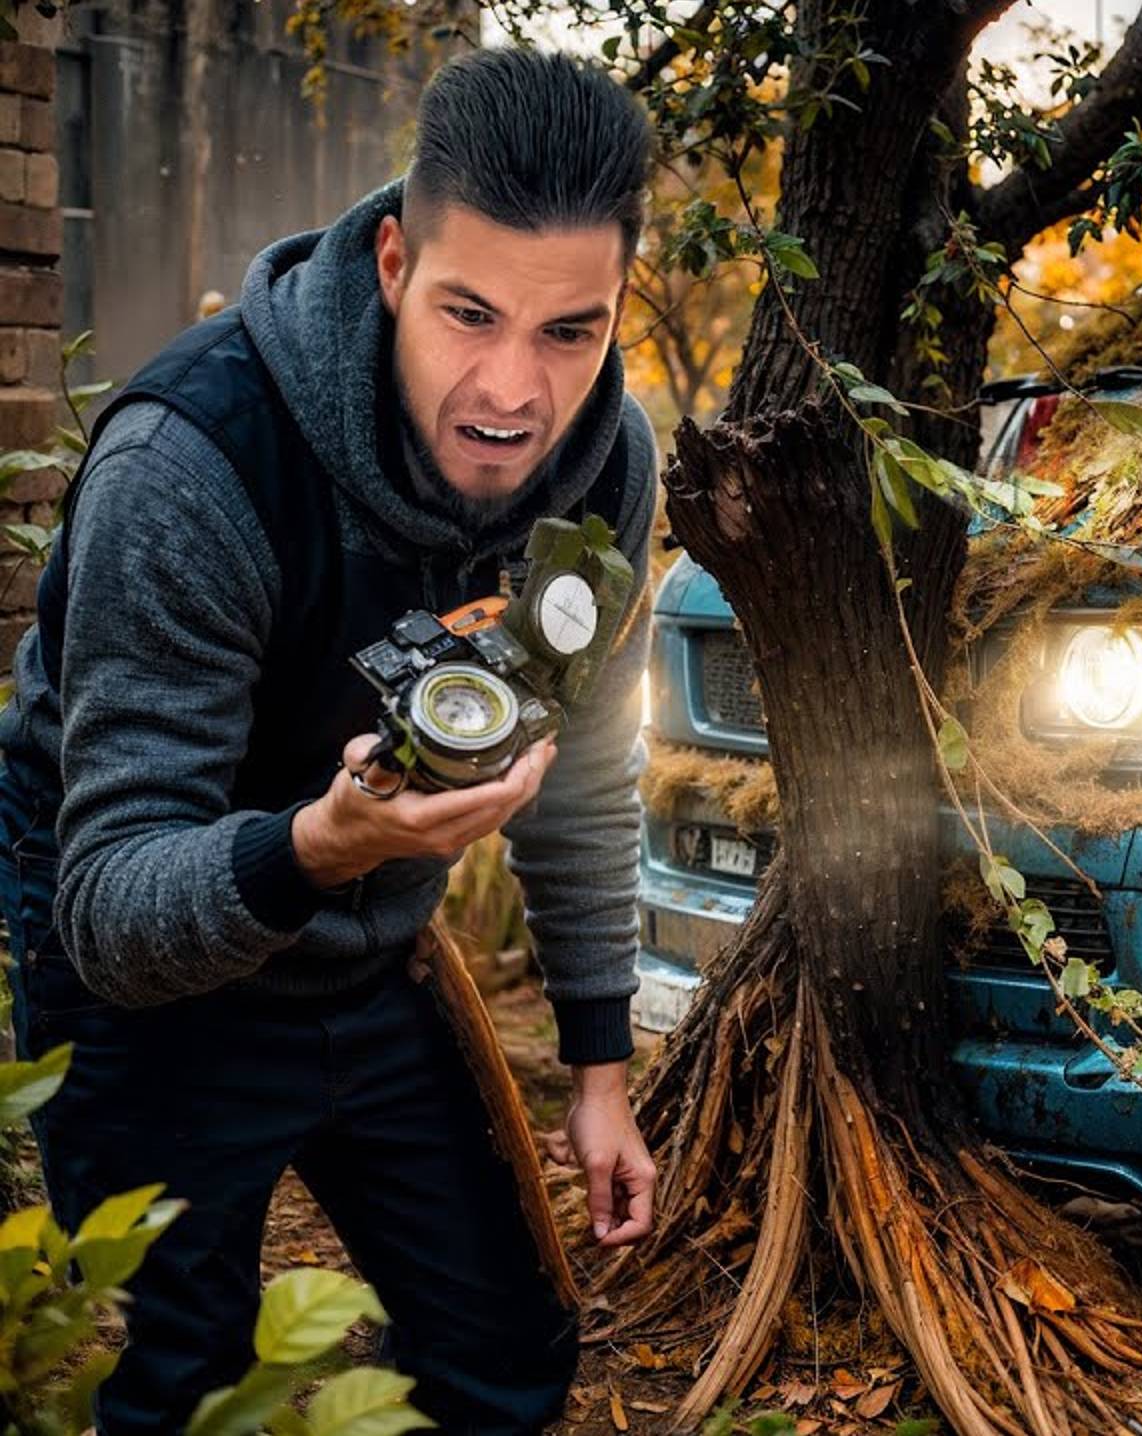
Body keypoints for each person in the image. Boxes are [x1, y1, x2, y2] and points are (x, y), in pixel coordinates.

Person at [0, 49, 660, 1432]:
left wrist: (599, 1073)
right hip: (135, 944)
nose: (512, 391)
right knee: (179, 1382)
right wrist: (318, 844)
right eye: (469, 312)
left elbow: (586, 767)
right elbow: (112, 904)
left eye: (569, 331)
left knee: (511, 1360)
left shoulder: (607, 466)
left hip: (369, 935)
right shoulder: (193, 464)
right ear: (389, 263)